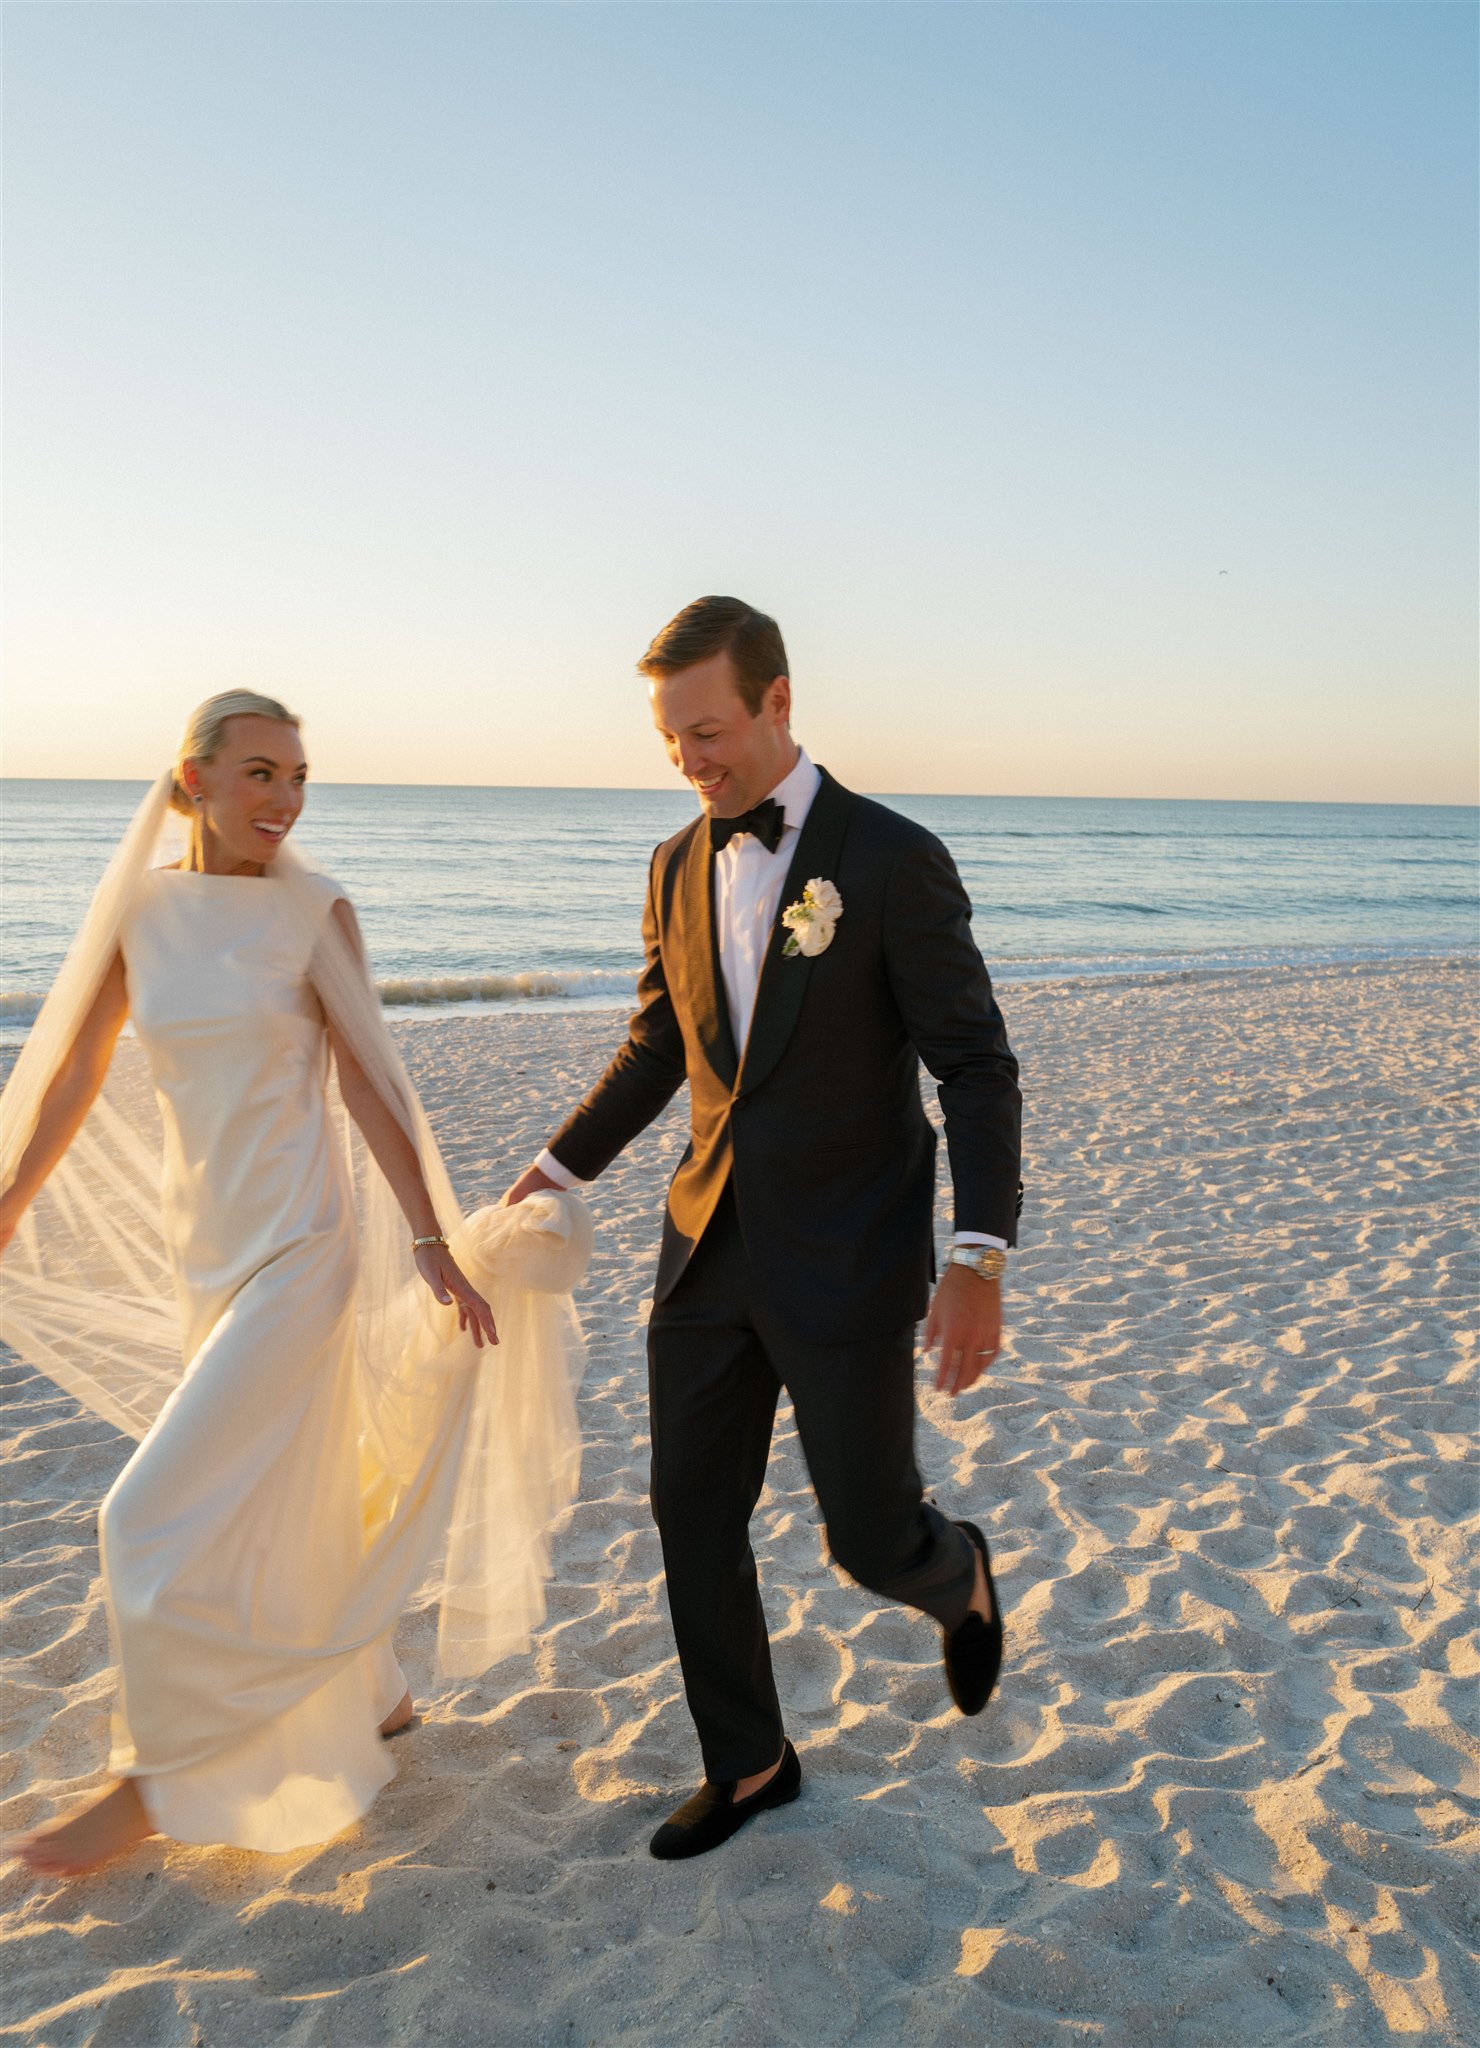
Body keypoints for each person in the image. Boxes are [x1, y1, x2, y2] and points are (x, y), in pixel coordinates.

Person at [1, 691, 589, 1877]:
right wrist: (5, 1208)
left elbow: (373, 1087)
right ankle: (375, 1694)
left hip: (301, 1247)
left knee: (145, 1515)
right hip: (205, 1250)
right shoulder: (143, 913)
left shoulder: (314, 913)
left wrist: (429, 1242)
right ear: (194, 780)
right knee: (288, 1483)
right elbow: (70, 1075)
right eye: (260, 772)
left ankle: (155, 1780)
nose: (284, 798)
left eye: (299, 776)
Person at [505, 597, 1022, 1859]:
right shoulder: (674, 865)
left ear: (779, 701)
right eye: (673, 739)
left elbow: (975, 1067)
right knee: (690, 1508)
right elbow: (656, 1051)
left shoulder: (894, 859)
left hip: (848, 1252)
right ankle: (748, 1762)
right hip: (703, 1245)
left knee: (863, 1535)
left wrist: (976, 1258)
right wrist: (550, 1174)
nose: (693, 761)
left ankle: (953, 1573)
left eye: (711, 730)